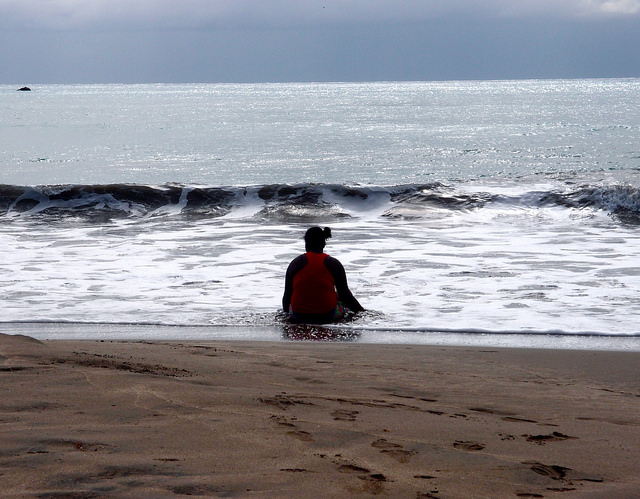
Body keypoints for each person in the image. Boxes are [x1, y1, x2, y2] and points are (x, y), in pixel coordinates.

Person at [283, 226, 364, 324]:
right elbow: (346, 296)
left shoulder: (295, 263)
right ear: (324, 244)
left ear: (306, 243)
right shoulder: (333, 264)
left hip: (298, 316)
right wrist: (362, 313)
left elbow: (287, 297)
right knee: (341, 300)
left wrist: (287, 316)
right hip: (327, 316)